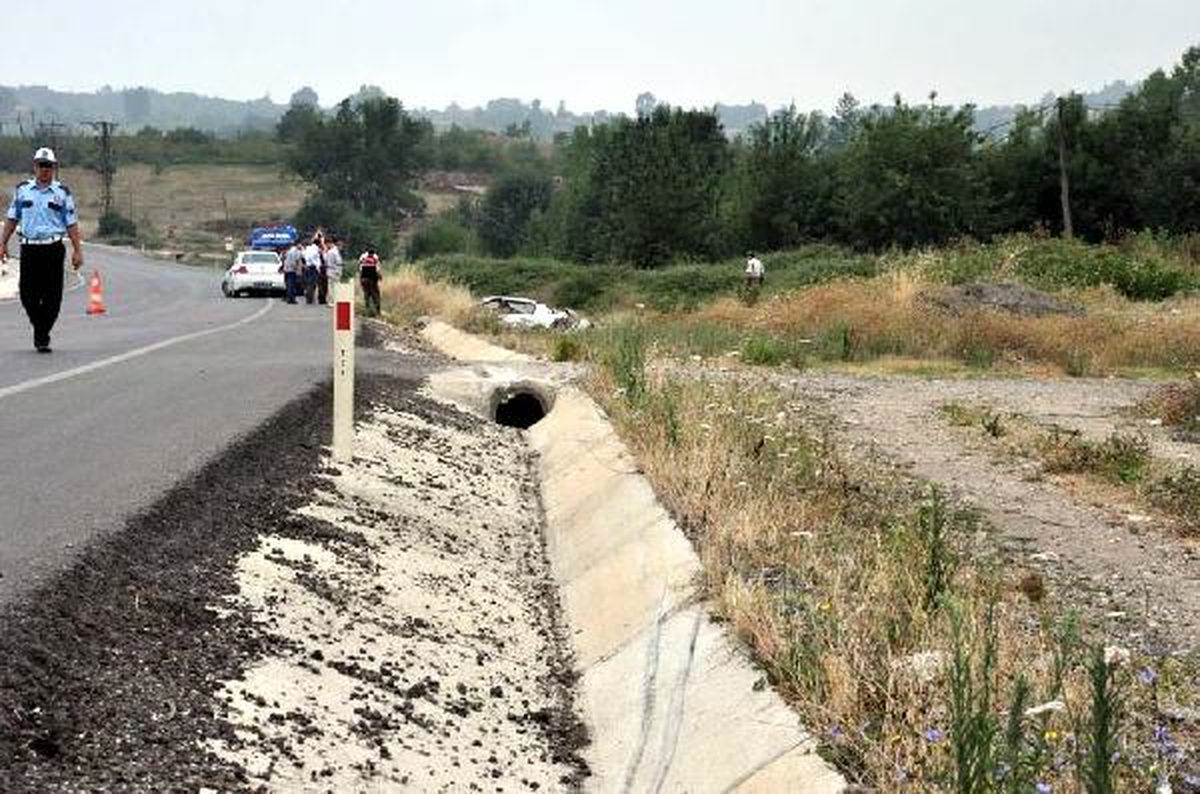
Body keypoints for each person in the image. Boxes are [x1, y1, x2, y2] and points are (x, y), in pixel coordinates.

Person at [0, 147, 84, 353]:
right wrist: (2, 243)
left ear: (54, 168)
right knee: (27, 295)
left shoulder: (62, 193)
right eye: (41, 165)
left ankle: (41, 335)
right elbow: (12, 218)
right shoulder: (22, 190)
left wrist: (77, 250)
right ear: (34, 166)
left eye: (48, 166)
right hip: (29, 249)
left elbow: (71, 223)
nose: (44, 169)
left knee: (52, 296)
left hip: (53, 249)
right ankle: (41, 328)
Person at [358, 247, 381, 317]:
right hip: (372, 278)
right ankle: (377, 311)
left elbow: (359, 267)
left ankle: (367, 309)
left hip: (364, 278)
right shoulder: (375, 257)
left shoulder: (362, 257)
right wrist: (379, 276)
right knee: (376, 294)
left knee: (366, 294)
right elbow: (377, 269)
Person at [319, 235, 343, 304]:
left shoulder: (330, 252)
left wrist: (324, 252)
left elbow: (326, 260)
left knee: (331, 287)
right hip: (336, 270)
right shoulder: (335, 251)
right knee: (335, 287)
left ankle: (332, 301)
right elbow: (339, 262)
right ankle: (334, 300)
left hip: (331, 271)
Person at [302, 234, 322, 304]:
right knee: (312, 284)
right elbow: (314, 258)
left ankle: (309, 298)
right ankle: (310, 299)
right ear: (318, 244)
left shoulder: (308, 248)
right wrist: (317, 267)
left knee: (309, 284)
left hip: (308, 267)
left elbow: (304, 255)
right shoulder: (314, 249)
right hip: (313, 268)